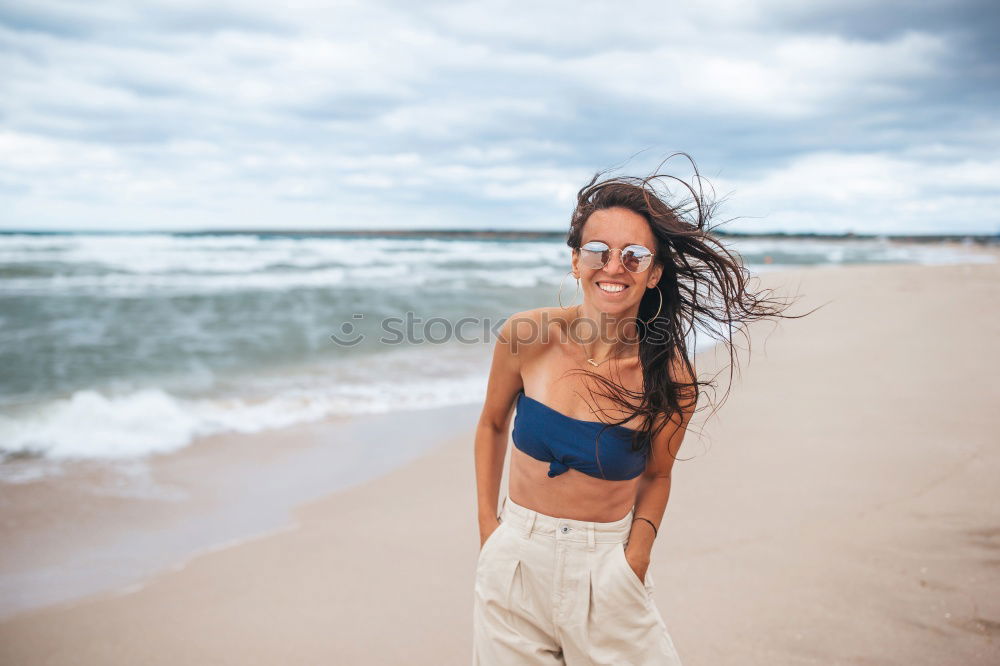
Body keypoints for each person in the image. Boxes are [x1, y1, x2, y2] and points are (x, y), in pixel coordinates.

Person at [472, 158, 800, 665]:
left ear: (654, 274)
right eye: (598, 251)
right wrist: (488, 531)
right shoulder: (526, 336)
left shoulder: (670, 378)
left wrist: (635, 557)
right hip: (514, 561)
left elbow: (657, 476)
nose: (613, 266)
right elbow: (492, 425)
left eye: (634, 255)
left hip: (606, 570)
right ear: (577, 261)